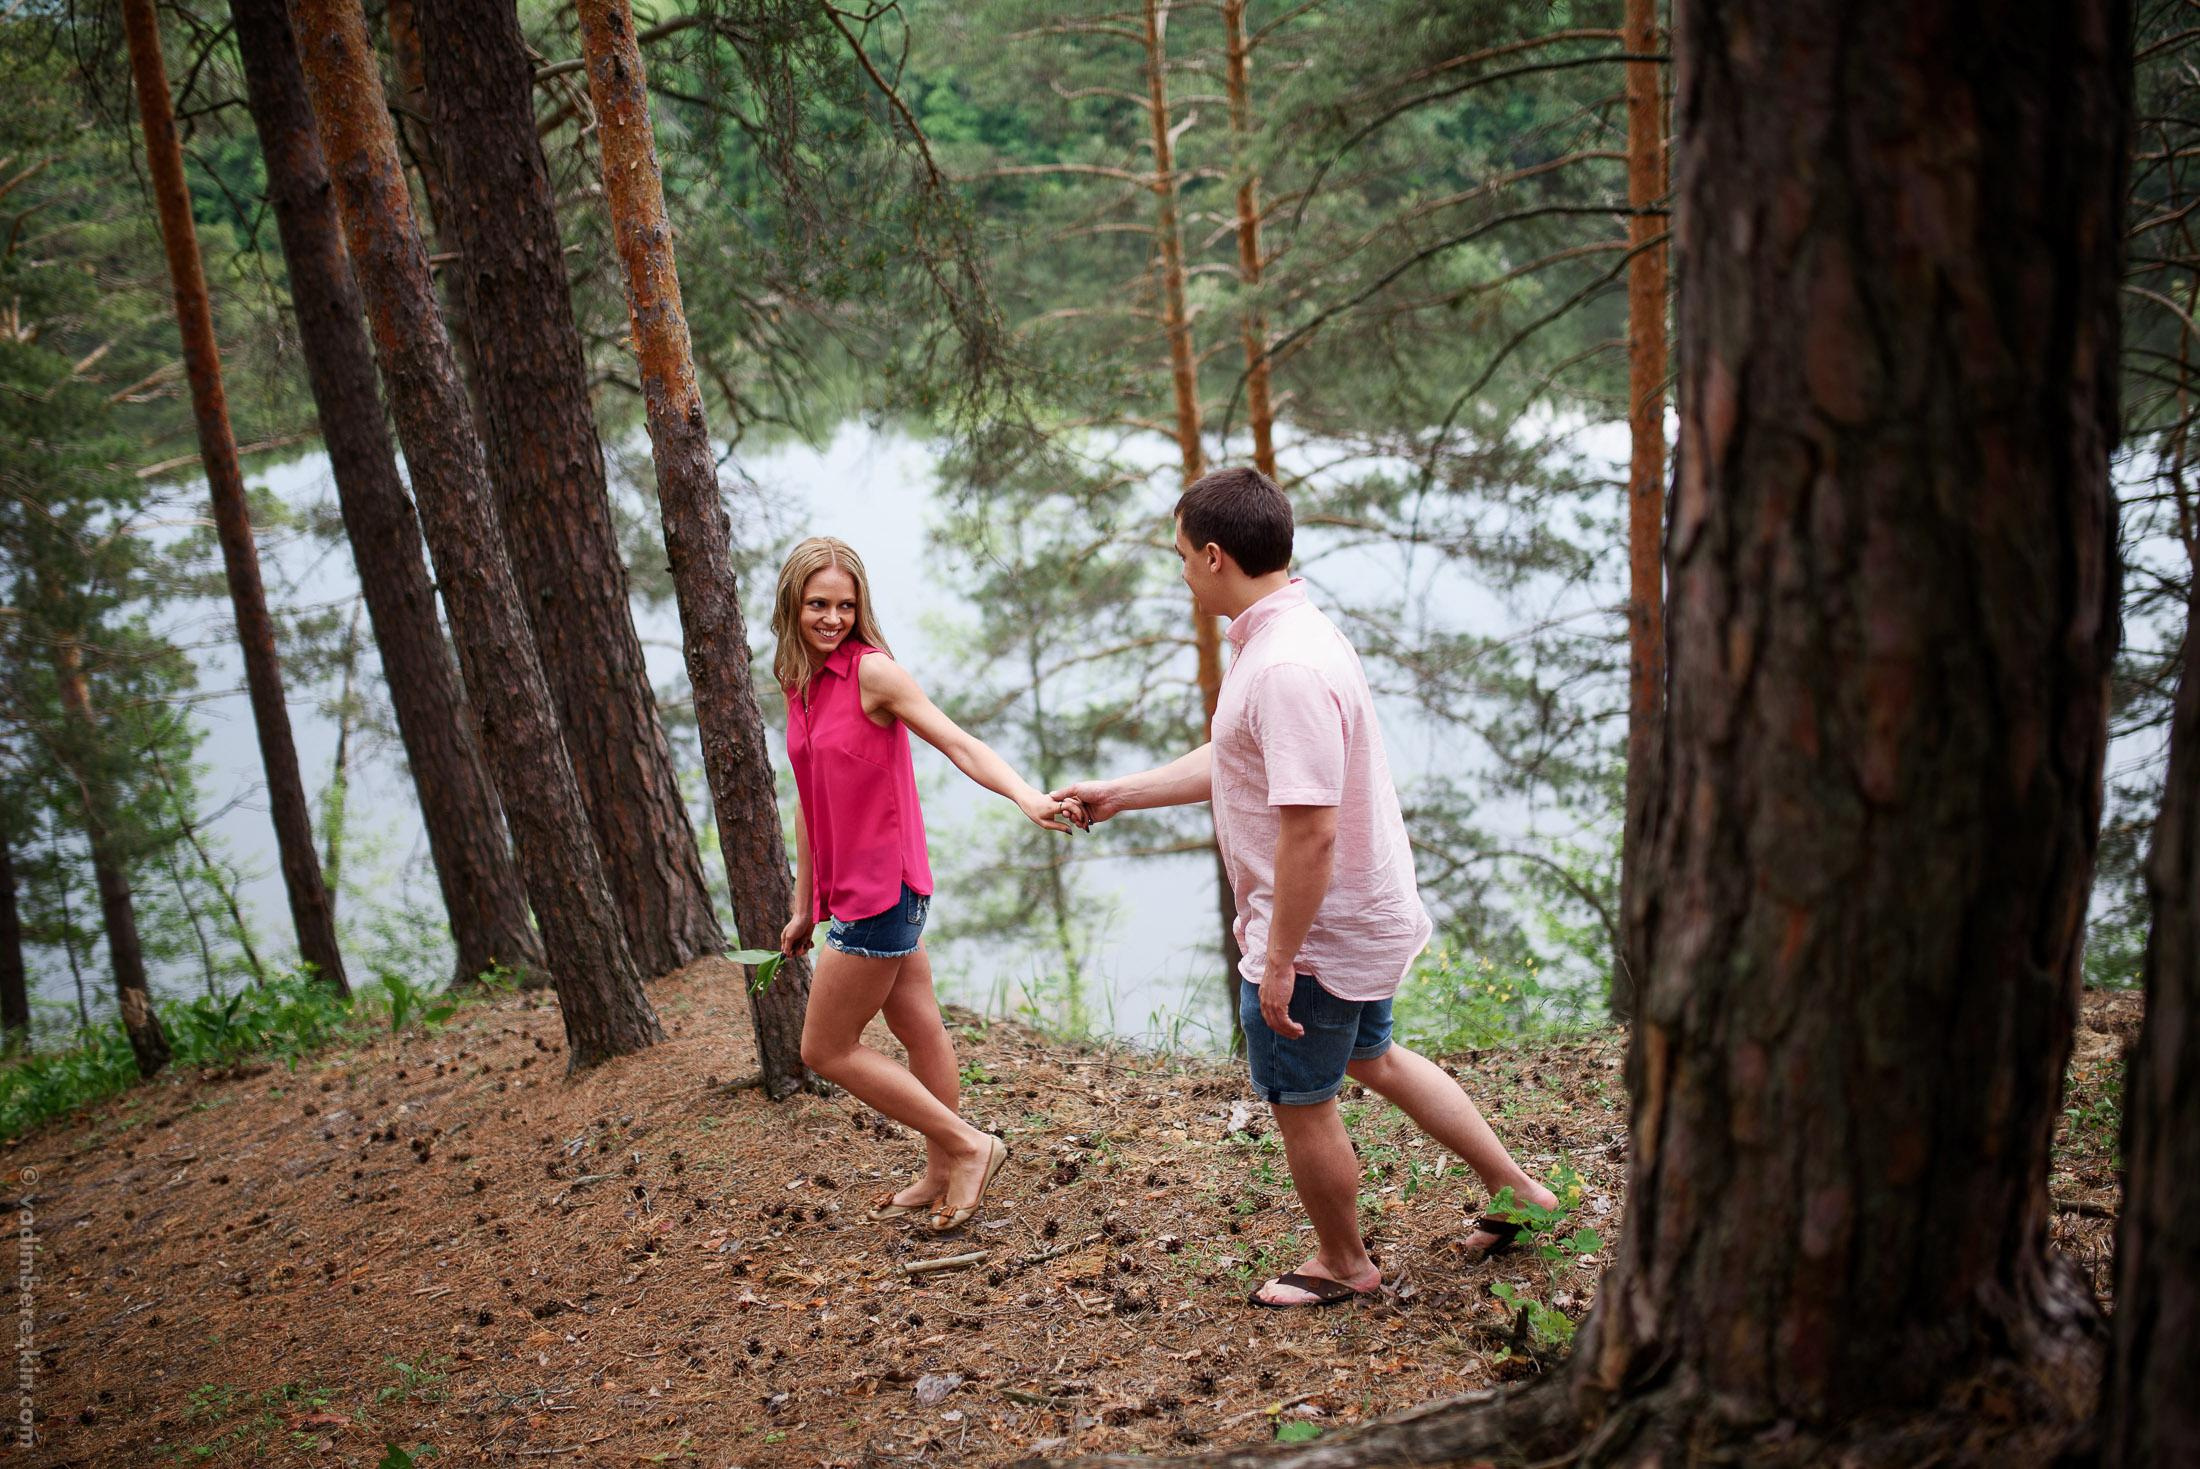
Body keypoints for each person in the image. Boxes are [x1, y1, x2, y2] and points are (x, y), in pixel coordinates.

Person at [1053, 468, 1558, 1307]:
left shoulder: (1283, 666)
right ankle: (1528, 1197)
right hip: (1359, 916)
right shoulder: (1293, 634)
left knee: (1304, 1101)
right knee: (1375, 1057)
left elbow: (1311, 827)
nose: (1179, 572)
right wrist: (1124, 792)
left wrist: (1279, 958)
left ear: (1215, 556)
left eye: (1181, 556)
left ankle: (1343, 1262)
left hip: (1320, 935)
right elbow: (1242, 757)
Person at [772, 535, 1073, 1231]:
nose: (832, 618)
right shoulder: (800, 680)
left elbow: (957, 740)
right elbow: (810, 798)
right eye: (818, 604)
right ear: (793, 602)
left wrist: (1025, 795)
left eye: (845, 606)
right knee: (919, 1026)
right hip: (856, 892)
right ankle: (942, 1167)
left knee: (824, 1049)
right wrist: (802, 905)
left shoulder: (873, 673)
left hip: (883, 893)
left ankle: (970, 1147)